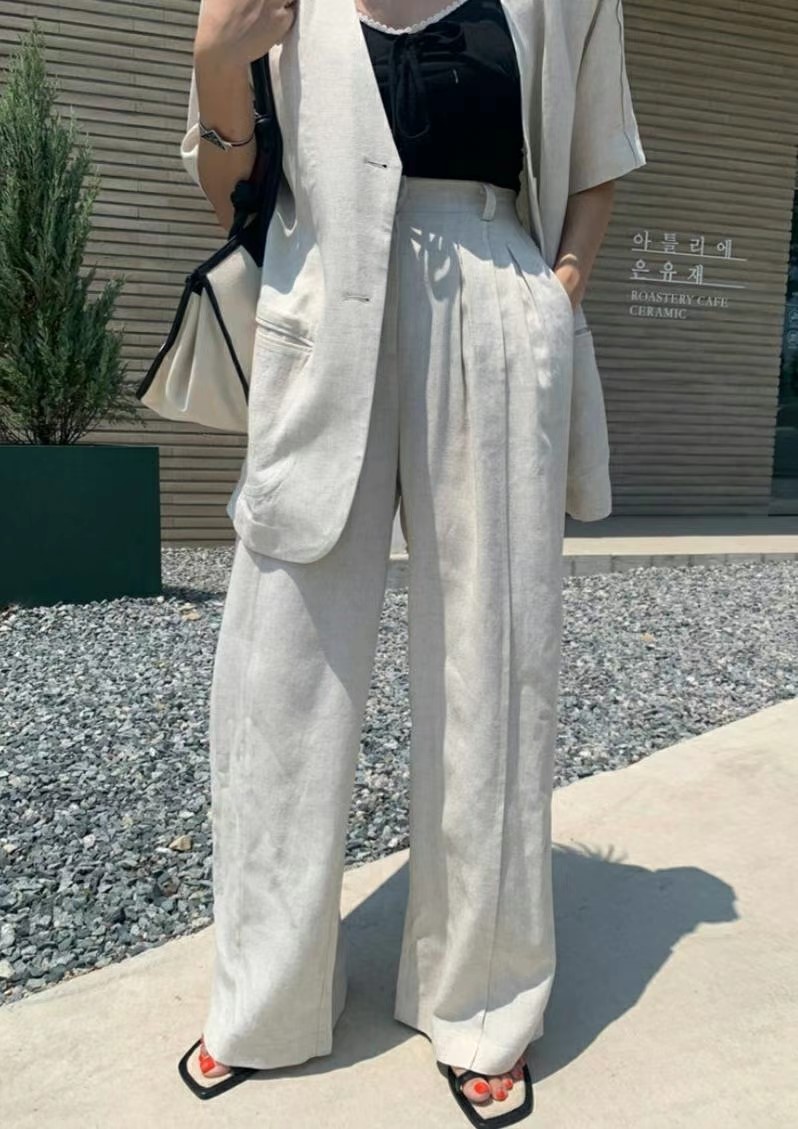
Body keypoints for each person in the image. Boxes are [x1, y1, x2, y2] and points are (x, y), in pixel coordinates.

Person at [176, 0, 646, 1122]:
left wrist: (554, 296)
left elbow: (597, 159)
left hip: (492, 309)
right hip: (317, 313)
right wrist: (217, 58)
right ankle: (264, 996)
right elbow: (232, 193)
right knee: (279, 669)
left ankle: (482, 999)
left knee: (495, 665)